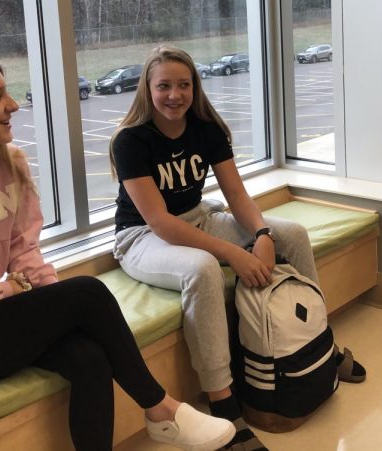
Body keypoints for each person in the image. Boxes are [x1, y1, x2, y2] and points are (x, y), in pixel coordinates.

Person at [0, 55, 235, 451]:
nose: (14, 106)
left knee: (89, 357)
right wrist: (17, 291)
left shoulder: (7, 163)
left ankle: (151, 420)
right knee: (87, 292)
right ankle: (161, 409)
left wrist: (49, 302)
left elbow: (24, 251)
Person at [110, 45, 365, 451]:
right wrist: (233, 252)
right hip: (142, 237)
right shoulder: (131, 142)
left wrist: (262, 234)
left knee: (292, 233)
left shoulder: (207, 129)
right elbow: (160, 222)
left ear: (195, 87)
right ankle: (222, 401)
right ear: (147, 88)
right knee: (202, 269)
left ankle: (319, 343)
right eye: (164, 86)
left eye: (183, 85)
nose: (174, 95)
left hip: (200, 216)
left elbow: (237, 196)